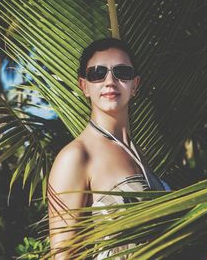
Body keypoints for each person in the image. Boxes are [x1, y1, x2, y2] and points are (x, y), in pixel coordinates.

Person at [47, 38, 168, 260]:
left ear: (135, 84)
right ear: (84, 86)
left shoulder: (137, 153)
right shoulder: (76, 156)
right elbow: (63, 256)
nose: (110, 81)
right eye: (97, 73)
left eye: (122, 72)